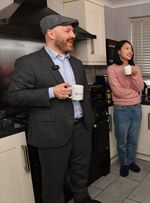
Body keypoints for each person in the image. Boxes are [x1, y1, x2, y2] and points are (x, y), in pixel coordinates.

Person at [7, 15, 101, 203]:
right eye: (67, 30)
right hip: (51, 132)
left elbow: (85, 94)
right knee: (53, 182)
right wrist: (51, 92)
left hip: (82, 127)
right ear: (51, 33)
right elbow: (14, 96)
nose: (73, 35)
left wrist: (88, 120)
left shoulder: (76, 63)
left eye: (72, 31)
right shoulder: (28, 62)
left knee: (81, 172)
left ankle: (82, 199)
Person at [107, 40, 144, 177]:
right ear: (118, 51)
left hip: (136, 108)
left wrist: (135, 75)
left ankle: (130, 161)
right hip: (121, 109)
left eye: (131, 49)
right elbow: (117, 91)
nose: (130, 51)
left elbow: (140, 88)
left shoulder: (136, 68)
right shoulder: (112, 69)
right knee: (122, 139)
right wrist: (134, 94)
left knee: (133, 138)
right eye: (127, 48)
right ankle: (123, 163)